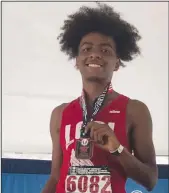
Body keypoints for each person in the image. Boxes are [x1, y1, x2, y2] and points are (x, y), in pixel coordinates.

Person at [42, 3, 158, 193]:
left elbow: (151, 180)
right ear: (77, 61)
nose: (95, 54)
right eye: (87, 49)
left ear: (117, 63)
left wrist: (117, 149)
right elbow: (55, 177)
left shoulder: (135, 110)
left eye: (105, 51)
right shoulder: (59, 114)